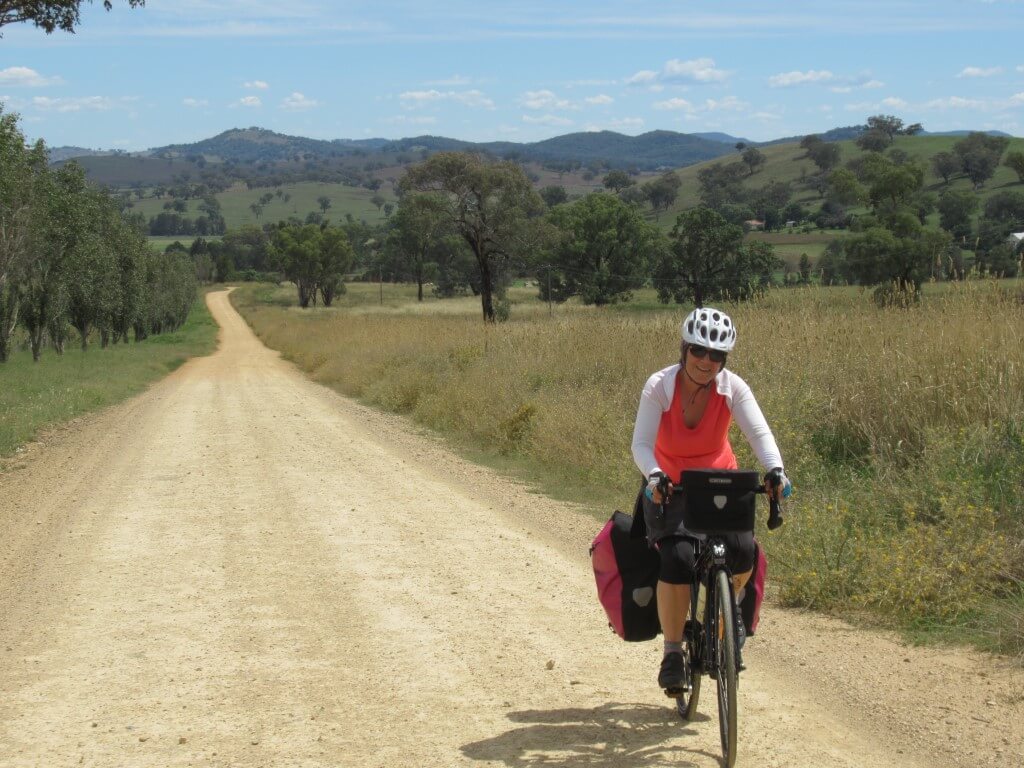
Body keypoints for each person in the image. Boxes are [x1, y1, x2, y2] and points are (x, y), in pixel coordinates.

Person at [631, 306, 790, 694]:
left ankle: (729, 609)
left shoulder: (732, 388)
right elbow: (641, 444)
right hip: (670, 482)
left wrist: (776, 470)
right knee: (678, 557)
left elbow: (760, 435)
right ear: (684, 349)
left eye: (717, 355)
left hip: (720, 478)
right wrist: (654, 476)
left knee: (742, 550)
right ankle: (672, 653)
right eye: (699, 351)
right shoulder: (659, 386)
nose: (707, 361)